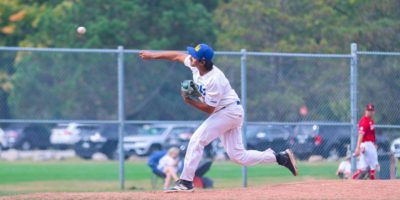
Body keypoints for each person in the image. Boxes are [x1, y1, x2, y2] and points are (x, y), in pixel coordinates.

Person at [139, 43, 298, 192]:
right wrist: (152, 55)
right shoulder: (196, 66)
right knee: (238, 157)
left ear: (202, 61)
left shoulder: (215, 79)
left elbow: (209, 109)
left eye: (194, 55)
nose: (190, 56)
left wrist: (189, 100)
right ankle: (281, 158)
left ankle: (186, 182)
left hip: (228, 112)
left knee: (197, 140)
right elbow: (176, 56)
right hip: (228, 112)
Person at [352, 103, 379, 180]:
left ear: (373, 111)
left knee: (365, 167)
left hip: (370, 144)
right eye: (368, 110)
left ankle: (356, 179)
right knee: (374, 166)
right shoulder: (364, 121)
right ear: (365, 111)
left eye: (371, 110)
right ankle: (371, 183)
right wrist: (358, 147)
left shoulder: (371, 121)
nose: (370, 112)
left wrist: (373, 144)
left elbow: (371, 135)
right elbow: (361, 135)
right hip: (366, 144)